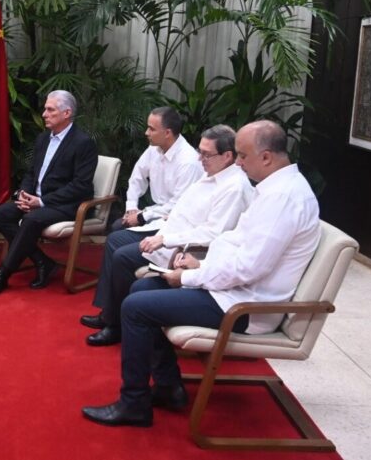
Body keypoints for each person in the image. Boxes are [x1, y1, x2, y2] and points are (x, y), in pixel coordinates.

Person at [81, 120, 321, 427]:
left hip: (246, 306)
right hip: (233, 291)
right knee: (141, 291)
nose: (238, 162)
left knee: (135, 308)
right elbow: (232, 242)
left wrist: (188, 277)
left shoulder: (283, 197)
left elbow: (249, 267)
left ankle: (134, 404)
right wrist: (199, 266)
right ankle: (168, 387)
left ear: (266, 157)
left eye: (243, 155)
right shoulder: (274, 189)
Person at [82, 124, 253, 347]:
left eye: (206, 154)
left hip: (185, 247)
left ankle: (115, 325)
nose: (200, 158)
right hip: (167, 230)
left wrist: (164, 238)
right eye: (200, 151)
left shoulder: (234, 187)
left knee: (123, 257)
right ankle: (112, 317)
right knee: (117, 242)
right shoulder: (211, 173)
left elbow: (213, 232)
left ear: (227, 156)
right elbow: (178, 203)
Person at [0, 90, 98, 296]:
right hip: (36, 199)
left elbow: (81, 186)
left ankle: (3, 274)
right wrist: (24, 194)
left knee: (32, 220)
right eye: (45, 108)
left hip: (66, 205)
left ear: (66, 113)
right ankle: (42, 261)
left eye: (50, 109)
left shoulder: (83, 143)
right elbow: (32, 173)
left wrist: (41, 201)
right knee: (1, 215)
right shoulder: (43, 139)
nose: (44, 114)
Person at [110, 107, 201, 233]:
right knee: (117, 226)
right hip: (154, 212)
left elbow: (178, 205)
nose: (146, 132)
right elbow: (137, 177)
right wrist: (132, 207)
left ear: (167, 133)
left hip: (174, 221)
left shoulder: (188, 162)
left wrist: (141, 217)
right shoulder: (154, 148)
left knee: (119, 238)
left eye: (152, 129)